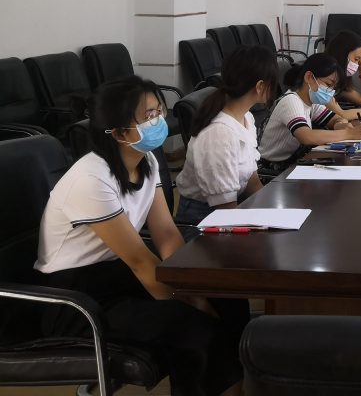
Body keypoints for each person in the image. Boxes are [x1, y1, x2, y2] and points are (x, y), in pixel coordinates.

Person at [35, 76, 249, 396]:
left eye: (159, 111)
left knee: (228, 299)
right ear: (120, 133)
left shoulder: (144, 160)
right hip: (76, 299)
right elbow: (139, 261)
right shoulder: (91, 179)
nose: (159, 121)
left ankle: (239, 385)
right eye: (149, 116)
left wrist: (191, 285)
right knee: (191, 323)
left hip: (117, 275)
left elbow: (166, 234)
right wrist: (193, 302)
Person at [175, 45, 279, 226]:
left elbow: (252, 180)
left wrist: (273, 211)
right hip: (204, 219)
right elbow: (225, 210)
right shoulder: (219, 134)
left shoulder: (246, 118)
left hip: (235, 207)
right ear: (260, 86)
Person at [257, 53, 361, 171]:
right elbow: (306, 136)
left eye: (333, 88)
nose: (330, 91)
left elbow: (336, 118)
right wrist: (349, 133)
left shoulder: (311, 102)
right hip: (271, 170)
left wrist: (340, 125)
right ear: (309, 77)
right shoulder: (291, 101)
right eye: (328, 84)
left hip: (291, 163)